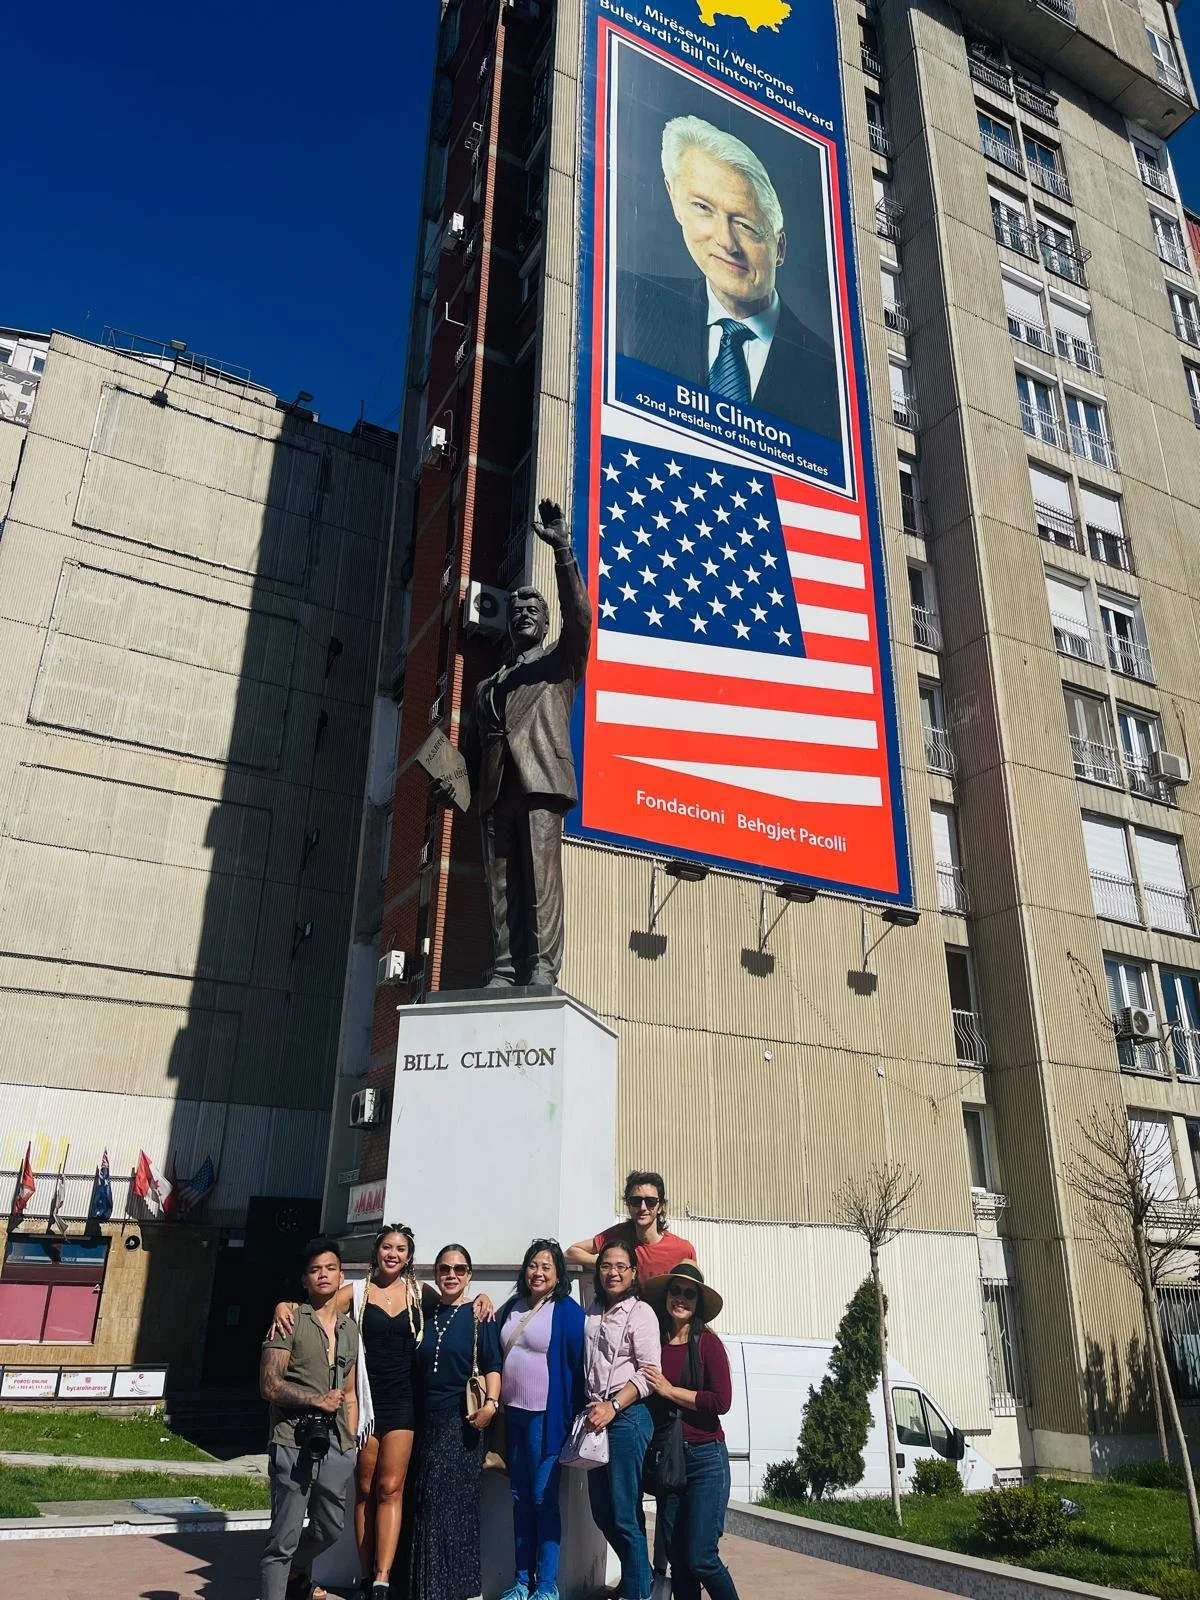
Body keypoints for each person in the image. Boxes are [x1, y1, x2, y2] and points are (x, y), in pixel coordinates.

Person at [432, 499, 591, 990]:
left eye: (533, 610)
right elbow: (474, 758)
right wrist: (450, 783)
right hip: (495, 792)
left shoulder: (559, 666)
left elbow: (581, 618)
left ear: (544, 624)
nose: (524, 615)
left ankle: (542, 967)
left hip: (541, 781)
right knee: (499, 887)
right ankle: (504, 966)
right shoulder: (485, 687)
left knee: (540, 881)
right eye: (517, 609)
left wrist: (564, 551)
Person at [617, 115, 841, 445]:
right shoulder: (627, 302)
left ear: (779, 248)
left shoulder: (833, 378)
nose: (726, 242)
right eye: (702, 207)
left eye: (746, 226)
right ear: (674, 199)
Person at [259, 1236, 359, 1600]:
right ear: (305, 1279)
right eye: (315, 1270)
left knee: (330, 1528)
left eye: (330, 1268)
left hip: (336, 1443)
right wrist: (317, 1401)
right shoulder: (289, 1320)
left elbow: (349, 1391)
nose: (323, 1275)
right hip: (291, 1438)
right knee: (282, 1538)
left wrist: (350, 1442)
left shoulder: (350, 1329)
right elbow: (269, 1386)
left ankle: (298, 1572)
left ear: (341, 1275)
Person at [406, 1242, 502, 1600]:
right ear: (436, 1274)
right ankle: (428, 1587)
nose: (451, 1275)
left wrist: (491, 1404)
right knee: (426, 1503)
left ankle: (460, 1589)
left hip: (462, 1422)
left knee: (454, 1506)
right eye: (445, 1269)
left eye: (459, 1269)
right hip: (423, 1422)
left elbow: (493, 1363)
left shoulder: (479, 1316)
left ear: (469, 1275)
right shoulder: (425, 1314)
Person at [642, 1261, 740, 1600]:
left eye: (689, 1294)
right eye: (675, 1291)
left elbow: (721, 1400)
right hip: (670, 1460)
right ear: (666, 1295)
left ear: (697, 1302)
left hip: (705, 1459)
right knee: (679, 1560)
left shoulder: (707, 1344)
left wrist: (670, 1391)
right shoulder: (654, 1342)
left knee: (702, 1557)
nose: (680, 1299)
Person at [496, 1238, 585, 1600]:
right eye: (534, 1264)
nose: (539, 1272)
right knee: (519, 1498)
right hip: (511, 1417)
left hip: (546, 1420)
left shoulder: (566, 1310)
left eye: (547, 1266)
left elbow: (580, 1365)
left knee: (542, 1500)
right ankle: (521, 1581)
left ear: (558, 1274)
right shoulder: (512, 1307)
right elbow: (489, 1338)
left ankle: (547, 1587)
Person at [581, 1238, 661, 1600]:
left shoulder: (640, 1312)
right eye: (606, 1265)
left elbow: (649, 1373)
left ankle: (638, 1592)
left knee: (626, 1516)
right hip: (596, 1416)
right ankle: (635, 1582)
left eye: (620, 1267)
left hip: (627, 1417)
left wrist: (613, 1405)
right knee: (603, 1513)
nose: (612, 1272)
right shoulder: (594, 1309)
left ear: (633, 1273)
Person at [567, 1169, 697, 1283]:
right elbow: (570, 1253)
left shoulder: (683, 1250)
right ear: (628, 1206)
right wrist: (610, 1264)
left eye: (650, 1201)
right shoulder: (616, 1236)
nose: (643, 1207)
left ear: (660, 1207)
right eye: (636, 1201)